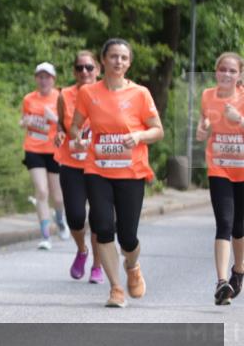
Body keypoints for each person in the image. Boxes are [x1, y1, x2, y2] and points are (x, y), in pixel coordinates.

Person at [70, 38, 164, 308]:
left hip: (131, 172)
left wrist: (139, 135)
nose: (118, 62)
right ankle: (115, 289)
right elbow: (76, 126)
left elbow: (158, 130)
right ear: (103, 60)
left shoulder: (140, 94)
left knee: (128, 236)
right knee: (102, 227)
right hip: (97, 168)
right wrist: (78, 139)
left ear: (129, 62)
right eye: (113, 57)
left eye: (123, 58)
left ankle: (132, 267)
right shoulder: (89, 93)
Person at [195, 51, 244, 305]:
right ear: (216, 71)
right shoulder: (207, 96)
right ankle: (222, 281)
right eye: (222, 69)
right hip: (220, 168)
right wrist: (202, 129)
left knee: (240, 228)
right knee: (224, 223)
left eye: (232, 71)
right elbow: (204, 123)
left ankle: (239, 270)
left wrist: (241, 120)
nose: (226, 74)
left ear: (240, 75)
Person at [54, 51, 105, 283]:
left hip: (100, 165)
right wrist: (59, 134)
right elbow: (61, 124)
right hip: (72, 163)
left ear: (98, 70)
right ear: (74, 71)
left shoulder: (107, 94)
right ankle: (82, 249)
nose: (84, 72)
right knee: (75, 217)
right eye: (79, 68)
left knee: (98, 219)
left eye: (89, 67)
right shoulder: (64, 94)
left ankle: (97, 265)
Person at [21, 62, 68, 250]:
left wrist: (55, 119)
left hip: (55, 150)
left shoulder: (61, 98)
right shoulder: (29, 99)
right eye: (40, 76)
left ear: (53, 79)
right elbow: (23, 119)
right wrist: (25, 121)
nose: (43, 80)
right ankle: (46, 235)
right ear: (36, 79)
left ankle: (60, 218)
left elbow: (69, 124)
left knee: (57, 196)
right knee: (41, 191)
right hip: (34, 149)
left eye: (47, 77)